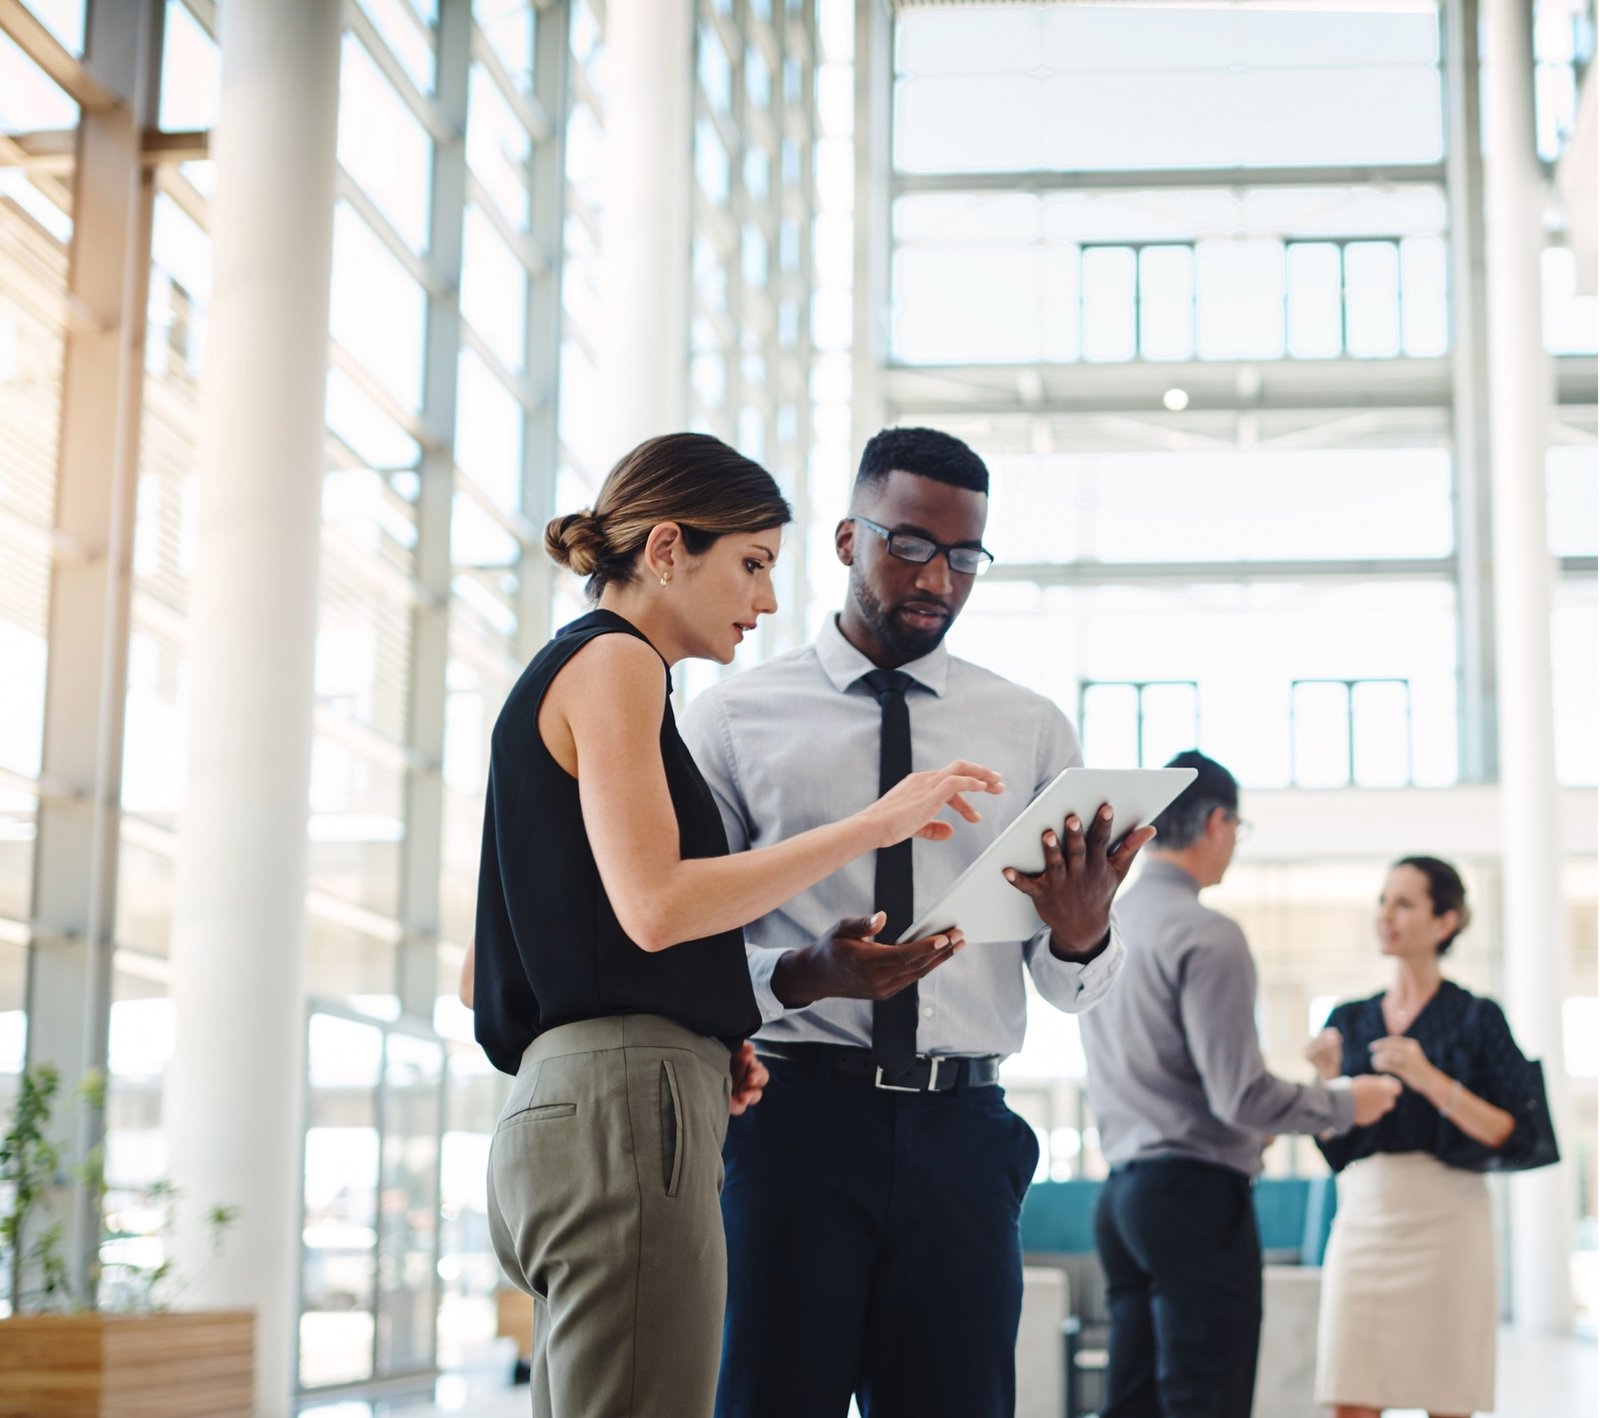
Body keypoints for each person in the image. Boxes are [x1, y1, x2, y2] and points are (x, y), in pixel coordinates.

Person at [474, 432, 1003, 1418]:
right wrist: (878, 821)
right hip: (625, 1108)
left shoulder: (574, 674)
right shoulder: (619, 664)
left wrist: (708, 1023)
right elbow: (659, 901)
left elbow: (515, 953)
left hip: (572, 1099)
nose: (763, 600)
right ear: (668, 546)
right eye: (751, 563)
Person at [679, 426, 1149, 1418]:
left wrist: (1080, 932)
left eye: (965, 555)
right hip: (788, 1124)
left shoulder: (1027, 729)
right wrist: (804, 971)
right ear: (849, 538)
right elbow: (688, 939)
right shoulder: (730, 719)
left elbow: (1067, 987)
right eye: (911, 546)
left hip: (961, 1132)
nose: (939, 576)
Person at [1078, 750, 1403, 1418]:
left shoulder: (1103, 925)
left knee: (1132, 1402)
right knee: (1208, 1399)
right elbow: (1240, 1096)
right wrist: (1349, 1103)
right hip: (1194, 1198)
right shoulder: (1207, 934)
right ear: (1218, 823)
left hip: (1123, 1200)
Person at [1305, 856, 1551, 1418]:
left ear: (1445, 922)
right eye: (1382, 900)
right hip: (1364, 1216)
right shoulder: (1350, 1018)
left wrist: (1430, 1080)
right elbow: (1336, 1148)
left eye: (1404, 903)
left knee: (1447, 1396)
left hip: (1449, 1222)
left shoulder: (1477, 1018)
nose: (1385, 914)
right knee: (1351, 1397)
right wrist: (1325, 1086)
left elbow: (1517, 1133)